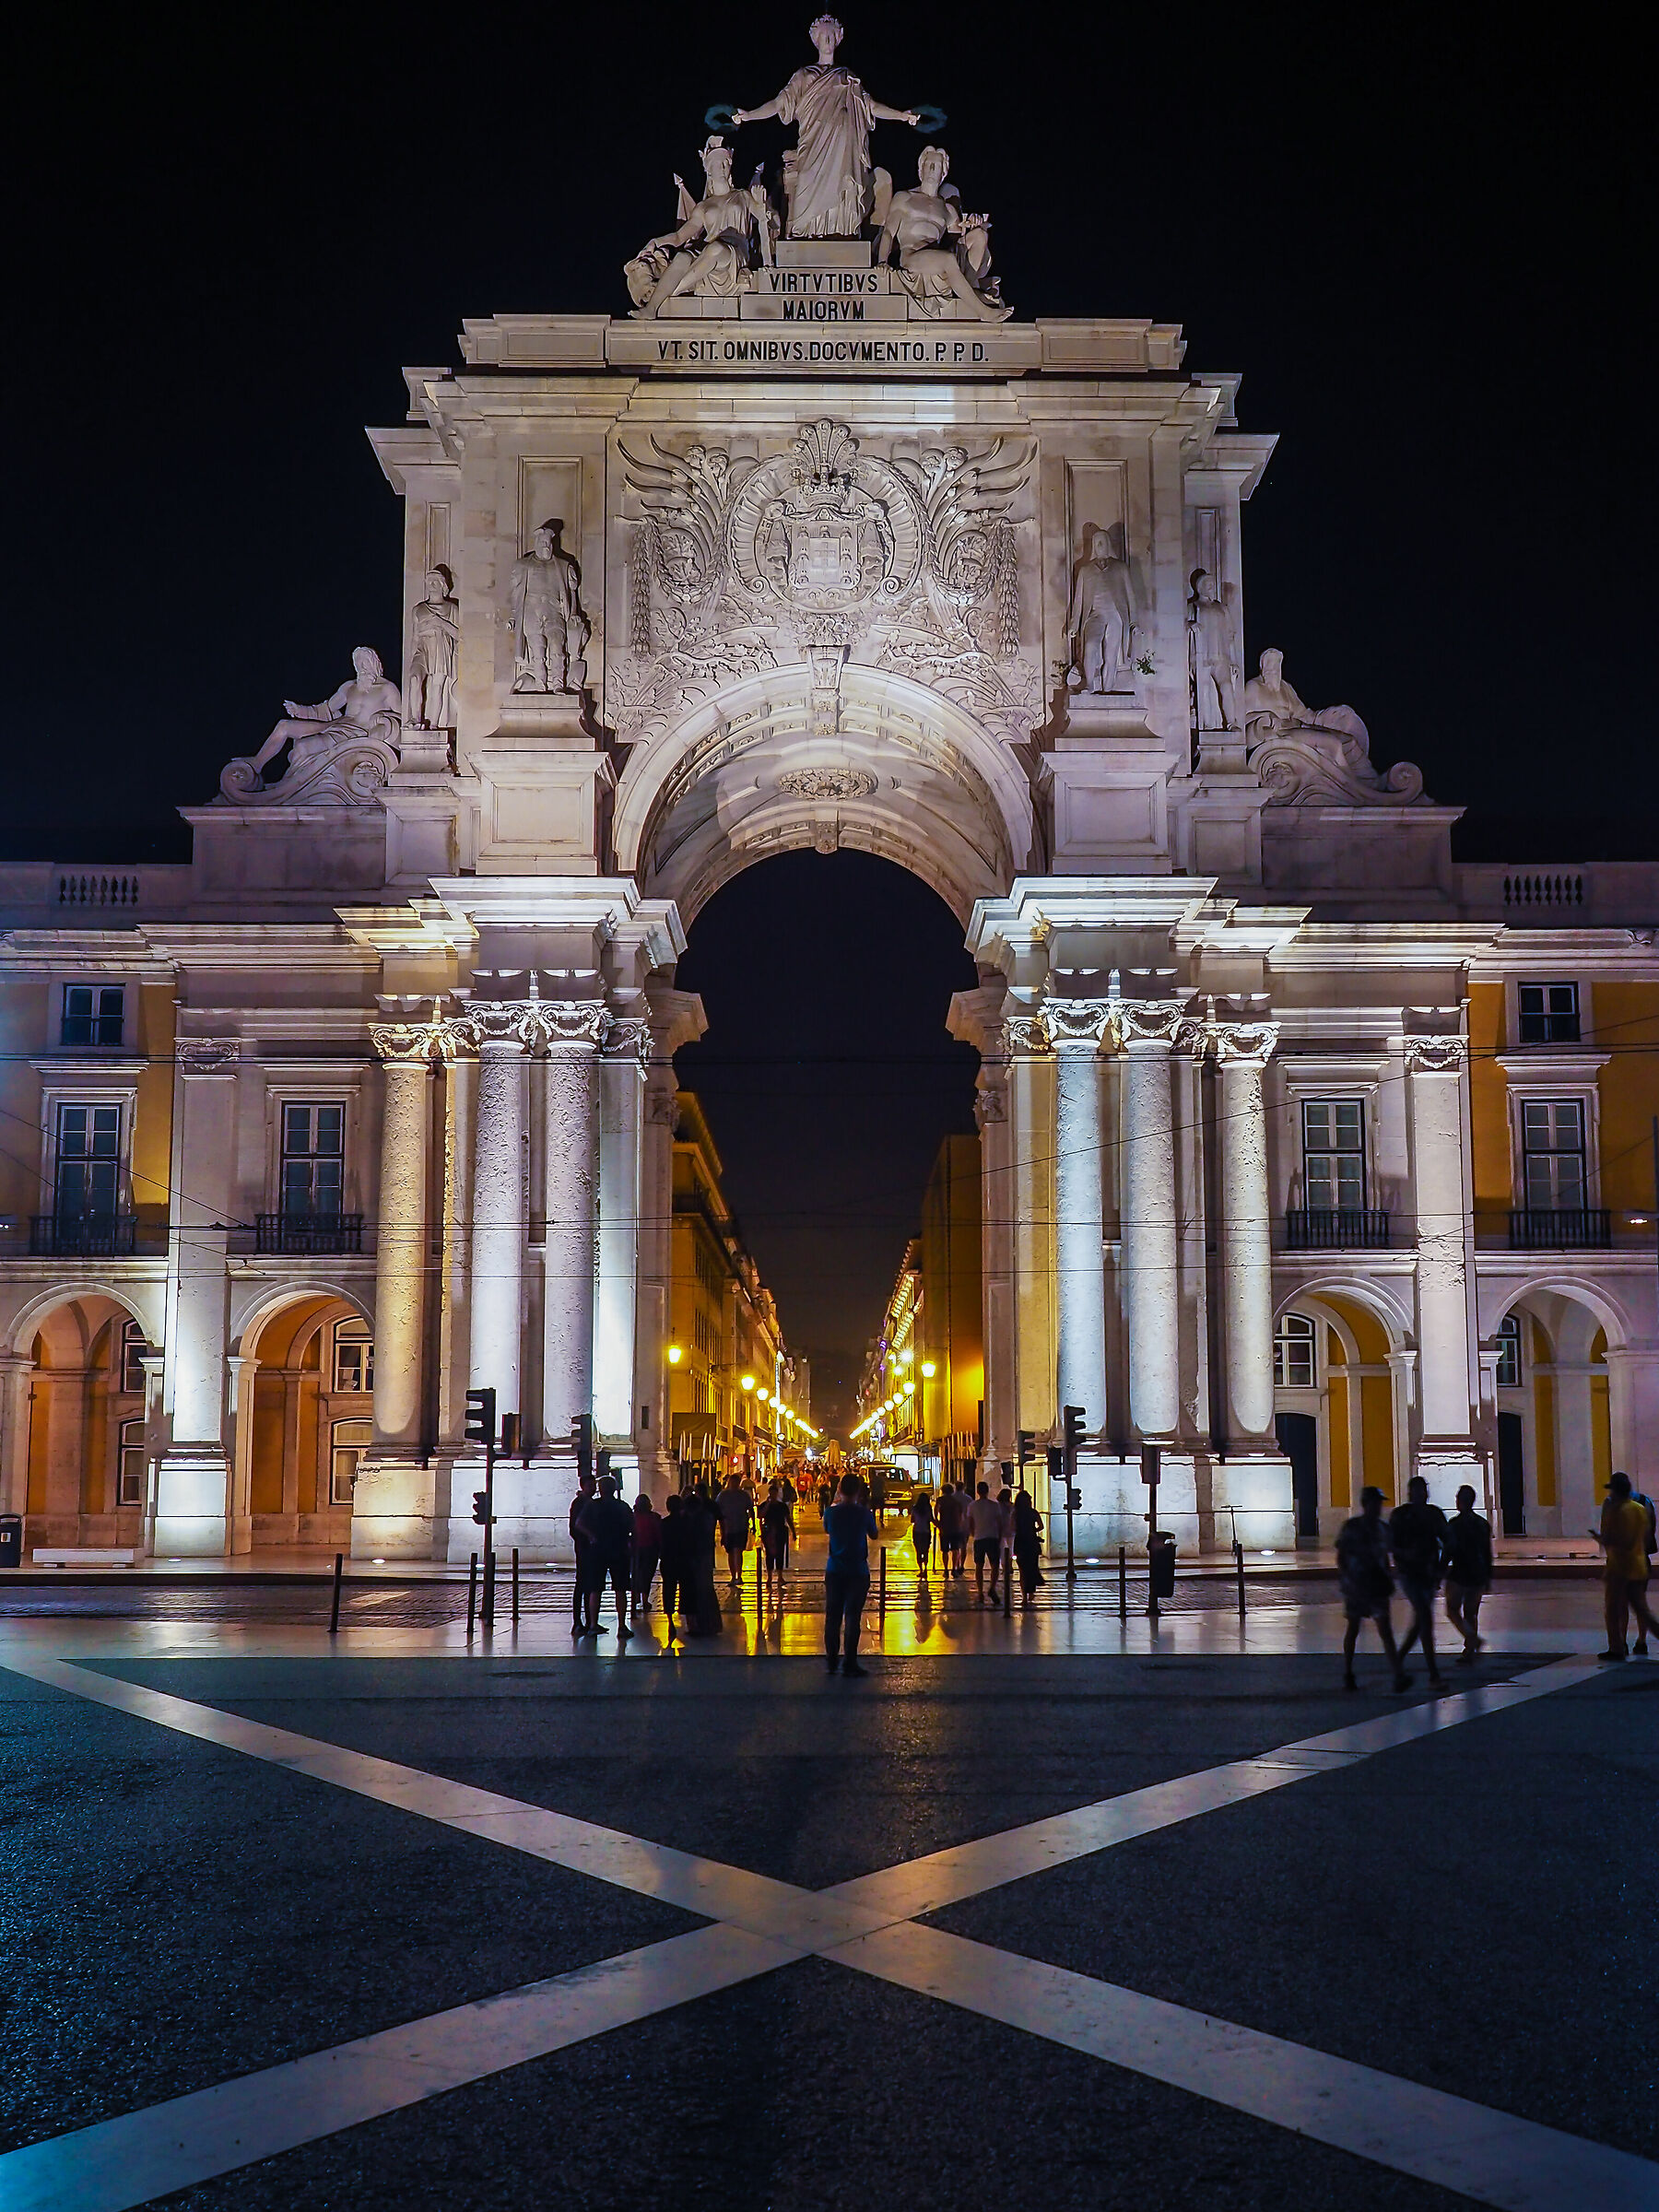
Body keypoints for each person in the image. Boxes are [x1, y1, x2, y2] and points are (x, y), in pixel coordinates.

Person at [1336, 1486, 1409, 1693]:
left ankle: (1398, 1675)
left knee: (1385, 1630)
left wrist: (1389, 1576)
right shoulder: (1352, 1527)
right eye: (1376, 1503)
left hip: (1376, 1585)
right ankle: (1348, 1673)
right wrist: (1347, 1579)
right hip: (1357, 1586)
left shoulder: (1383, 1528)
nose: (1379, 1507)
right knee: (1353, 1629)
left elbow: (1389, 1554)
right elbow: (1342, 1556)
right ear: (1366, 1504)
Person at [1389, 1475, 1449, 1687]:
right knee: (1425, 1616)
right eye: (1417, 1491)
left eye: (1423, 1491)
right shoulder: (1401, 1515)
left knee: (1419, 1622)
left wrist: (1441, 1569)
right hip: (1409, 1574)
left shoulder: (1434, 1515)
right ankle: (1434, 1674)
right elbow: (1391, 1544)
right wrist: (1405, 1556)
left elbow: (1448, 1542)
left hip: (1428, 1574)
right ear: (1411, 1493)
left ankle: (1397, 1660)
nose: (1421, 1495)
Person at [1593, 1470, 1659, 1661]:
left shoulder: (1617, 1511)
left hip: (1620, 1568)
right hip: (1639, 1565)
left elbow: (1618, 1540)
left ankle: (1617, 1647)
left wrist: (1601, 1539)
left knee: (1614, 1610)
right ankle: (1642, 1640)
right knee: (1643, 1611)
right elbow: (1646, 1536)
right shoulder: (1640, 1508)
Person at [822, 1471, 879, 1676]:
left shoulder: (830, 1512)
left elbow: (827, 1530)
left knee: (833, 1617)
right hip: (857, 1570)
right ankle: (850, 1661)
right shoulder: (864, 1513)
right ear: (858, 1491)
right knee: (853, 1617)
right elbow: (874, 1534)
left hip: (835, 1568)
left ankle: (831, 1661)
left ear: (839, 1490)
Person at [580, 1474, 635, 1641]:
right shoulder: (622, 1506)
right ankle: (622, 1625)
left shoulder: (592, 1506)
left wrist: (592, 1536)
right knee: (620, 1588)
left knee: (595, 1588)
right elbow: (632, 1527)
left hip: (597, 1550)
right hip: (619, 1549)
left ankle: (593, 1624)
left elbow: (579, 1523)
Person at [1442, 1484, 1493, 1663]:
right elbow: (1487, 1552)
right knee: (1472, 1613)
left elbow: (1449, 1550)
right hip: (1478, 1574)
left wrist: (1440, 1569)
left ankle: (1472, 1639)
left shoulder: (1455, 1525)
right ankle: (1470, 1648)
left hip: (1460, 1573)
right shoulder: (1482, 1524)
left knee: (1452, 1610)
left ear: (1460, 1502)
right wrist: (1488, 1576)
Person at [682, 1488, 724, 1637]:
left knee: (695, 1592)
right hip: (704, 1557)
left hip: (694, 1558)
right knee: (706, 1590)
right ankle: (709, 1623)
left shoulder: (690, 1521)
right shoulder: (706, 1517)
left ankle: (698, 1624)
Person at [569, 1468, 601, 1637]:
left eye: (594, 1485)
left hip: (587, 1548)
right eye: (591, 1486)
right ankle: (579, 1622)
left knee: (589, 1585)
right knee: (582, 1585)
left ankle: (589, 1621)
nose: (594, 1488)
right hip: (584, 1548)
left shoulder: (587, 1502)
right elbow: (576, 1527)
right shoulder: (581, 1503)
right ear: (583, 1486)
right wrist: (591, 1537)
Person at [968, 1480, 1003, 1606]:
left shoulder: (972, 1506)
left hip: (979, 1538)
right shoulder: (995, 1506)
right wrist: (999, 1537)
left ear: (977, 1491)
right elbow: (999, 1523)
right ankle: (992, 1587)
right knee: (994, 1565)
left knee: (979, 1566)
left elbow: (970, 1523)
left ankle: (980, 1591)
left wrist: (973, 1533)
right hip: (992, 1537)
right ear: (987, 1491)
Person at [716, 1476, 755, 1586]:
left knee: (738, 1551)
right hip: (728, 1528)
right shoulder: (723, 1495)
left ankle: (738, 1575)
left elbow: (750, 1509)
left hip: (741, 1527)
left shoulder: (743, 1495)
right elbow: (718, 1511)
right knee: (731, 1552)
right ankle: (734, 1576)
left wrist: (753, 1524)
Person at [657, 1493, 686, 1637]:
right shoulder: (686, 1522)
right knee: (685, 1588)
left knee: (669, 1589)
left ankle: (670, 1618)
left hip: (668, 1560)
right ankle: (687, 1617)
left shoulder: (664, 1523)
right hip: (683, 1559)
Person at [631, 1492, 663, 1619]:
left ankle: (635, 1601)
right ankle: (645, 1601)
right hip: (651, 1550)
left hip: (636, 1549)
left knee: (636, 1576)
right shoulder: (655, 1517)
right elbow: (659, 1535)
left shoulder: (633, 1517)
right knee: (647, 1576)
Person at [759, 1479, 794, 1589]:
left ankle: (780, 1577)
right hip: (769, 1531)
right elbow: (761, 1515)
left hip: (780, 1530)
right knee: (769, 1555)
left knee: (780, 1554)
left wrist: (793, 1532)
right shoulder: (764, 1505)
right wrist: (768, 1504)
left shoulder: (782, 1506)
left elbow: (788, 1519)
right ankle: (769, 1578)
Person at [1013, 1486, 1044, 1606]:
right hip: (1031, 1541)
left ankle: (1024, 1597)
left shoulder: (1016, 1513)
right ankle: (1031, 1592)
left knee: (1022, 1570)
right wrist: (1033, 1530)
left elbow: (1012, 1527)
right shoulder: (1033, 1512)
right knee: (1032, 1567)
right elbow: (1041, 1526)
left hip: (1020, 1541)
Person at [909, 1488, 934, 1578]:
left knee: (918, 1551)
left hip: (917, 1531)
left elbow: (912, 1520)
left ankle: (921, 1570)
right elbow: (931, 1519)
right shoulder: (928, 1508)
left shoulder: (915, 1508)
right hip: (926, 1531)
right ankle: (926, 1568)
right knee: (926, 1550)